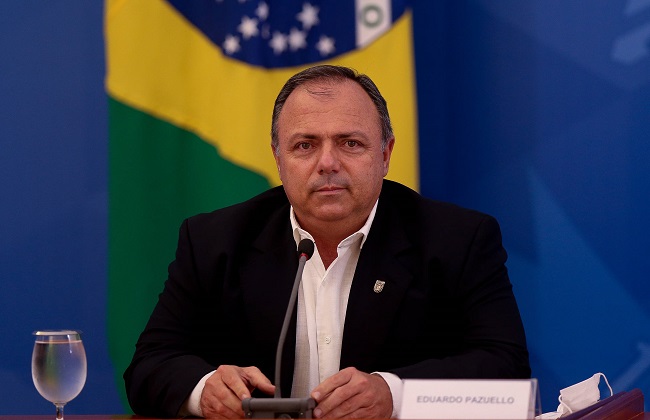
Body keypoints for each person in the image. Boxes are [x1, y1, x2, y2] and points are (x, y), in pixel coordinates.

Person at [124, 64, 530, 419]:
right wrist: (205, 390)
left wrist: (393, 394)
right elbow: (149, 365)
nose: (328, 163)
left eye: (350, 143)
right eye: (305, 145)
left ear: (385, 155)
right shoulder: (215, 240)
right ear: (278, 158)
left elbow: (506, 368)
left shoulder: (457, 239)